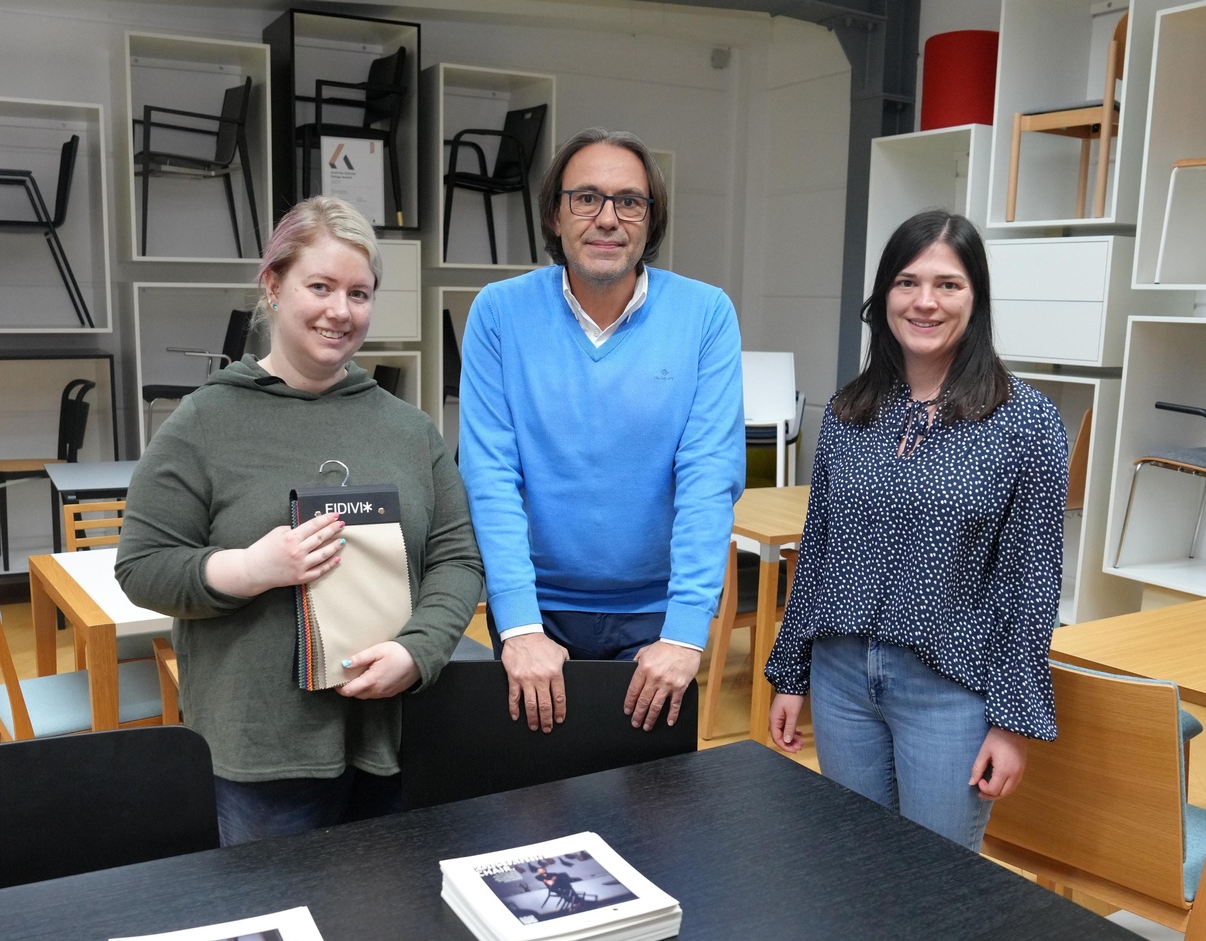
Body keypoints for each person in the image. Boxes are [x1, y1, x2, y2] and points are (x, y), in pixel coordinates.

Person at [117, 196, 483, 845]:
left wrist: (417, 648)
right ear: (274, 285)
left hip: (397, 737)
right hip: (262, 754)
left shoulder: (408, 428)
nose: (341, 311)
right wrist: (252, 568)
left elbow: (458, 558)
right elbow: (143, 566)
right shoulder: (203, 422)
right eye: (321, 286)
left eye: (359, 293)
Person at [763, 208, 1067, 852]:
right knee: (856, 868)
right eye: (907, 282)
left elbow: (1032, 582)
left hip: (949, 690)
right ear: (884, 298)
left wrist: (1012, 724)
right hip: (840, 677)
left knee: (936, 885)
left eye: (948, 284)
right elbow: (818, 552)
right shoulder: (850, 409)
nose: (925, 301)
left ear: (976, 298)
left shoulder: (1027, 422)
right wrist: (791, 673)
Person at [458, 128, 745, 734]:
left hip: (656, 622)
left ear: (650, 219)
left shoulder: (706, 313)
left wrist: (687, 631)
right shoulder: (499, 312)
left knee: (651, 818)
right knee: (527, 811)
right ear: (555, 216)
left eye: (629, 201)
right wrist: (517, 624)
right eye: (585, 198)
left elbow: (708, 475)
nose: (607, 218)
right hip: (539, 612)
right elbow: (488, 474)